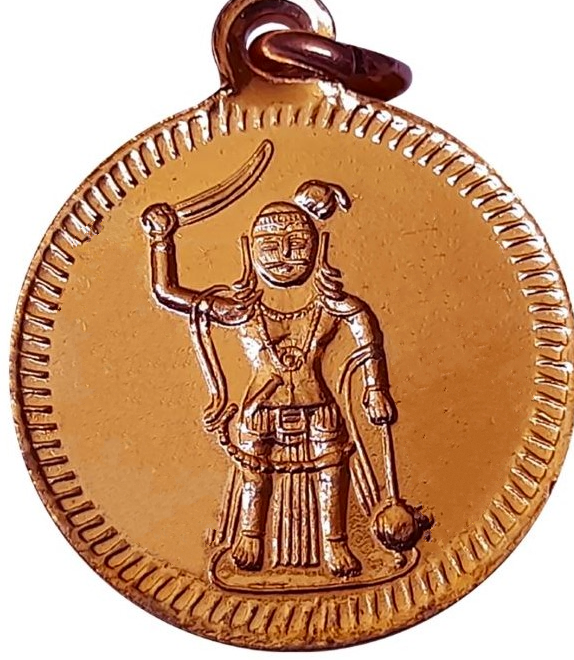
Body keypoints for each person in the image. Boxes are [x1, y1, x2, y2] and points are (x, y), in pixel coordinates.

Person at [141, 185, 397, 577]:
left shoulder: (331, 306)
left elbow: (367, 332)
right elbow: (166, 292)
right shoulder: (240, 311)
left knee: (332, 467)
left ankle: (335, 543)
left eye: (298, 244)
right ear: (249, 250)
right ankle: (250, 535)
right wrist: (161, 241)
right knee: (253, 471)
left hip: (319, 407)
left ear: (319, 247)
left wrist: (376, 389)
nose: (285, 255)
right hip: (260, 409)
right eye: (270, 246)